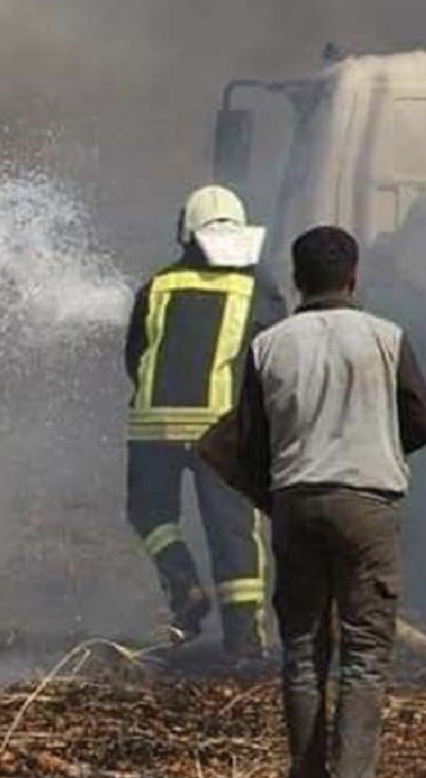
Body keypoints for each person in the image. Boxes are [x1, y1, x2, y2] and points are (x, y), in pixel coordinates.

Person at [234, 226, 426, 778]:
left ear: (297, 280)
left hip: (295, 500)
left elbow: (249, 443)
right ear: (354, 276)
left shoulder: (268, 344)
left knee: (301, 649)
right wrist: (377, 444)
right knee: (364, 655)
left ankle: (306, 772)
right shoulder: (386, 337)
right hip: (368, 503)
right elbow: (423, 422)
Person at [124, 184, 285, 657]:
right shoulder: (257, 285)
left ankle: (183, 587)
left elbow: (134, 355)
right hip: (221, 428)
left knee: (151, 514)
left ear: (186, 230)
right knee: (233, 530)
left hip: (152, 426)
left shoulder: (157, 285)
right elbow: (276, 355)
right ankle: (245, 640)